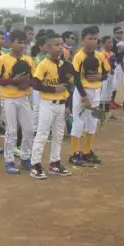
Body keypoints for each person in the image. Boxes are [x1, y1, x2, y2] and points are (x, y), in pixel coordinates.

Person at [29, 33, 72, 179]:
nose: (60, 47)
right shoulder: (43, 64)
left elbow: (67, 85)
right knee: (42, 134)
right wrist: (54, 89)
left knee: (58, 135)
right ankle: (35, 164)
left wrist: (66, 105)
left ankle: (55, 163)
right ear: (47, 47)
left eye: (61, 44)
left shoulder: (63, 65)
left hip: (60, 104)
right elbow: (35, 83)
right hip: (47, 104)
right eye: (56, 44)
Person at [0, 29, 34, 174]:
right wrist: (13, 81)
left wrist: (26, 84)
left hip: (23, 97)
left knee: (29, 129)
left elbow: (33, 78)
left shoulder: (28, 59)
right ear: (11, 43)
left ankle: (25, 158)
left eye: (24, 42)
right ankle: (9, 160)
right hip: (8, 98)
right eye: (19, 42)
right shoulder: (2, 59)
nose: (22, 45)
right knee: (11, 130)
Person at [68, 26, 107, 166]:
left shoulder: (100, 56)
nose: (93, 41)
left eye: (95, 38)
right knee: (78, 122)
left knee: (92, 123)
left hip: (96, 91)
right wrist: (84, 97)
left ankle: (87, 151)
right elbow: (77, 79)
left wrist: (100, 76)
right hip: (82, 92)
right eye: (90, 38)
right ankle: (74, 153)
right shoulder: (78, 57)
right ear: (83, 40)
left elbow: (106, 73)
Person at [99, 36, 115, 119]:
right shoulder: (101, 53)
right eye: (108, 42)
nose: (111, 44)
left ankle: (107, 112)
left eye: (111, 42)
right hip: (104, 75)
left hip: (111, 75)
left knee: (109, 93)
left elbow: (113, 64)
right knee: (103, 94)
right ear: (103, 43)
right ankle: (101, 113)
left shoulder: (112, 53)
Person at [110, 26, 124, 108]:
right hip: (114, 64)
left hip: (120, 64)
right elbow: (112, 52)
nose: (120, 34)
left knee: (117, 83)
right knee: (113, 84)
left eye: (121, 32)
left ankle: (113, 100)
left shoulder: (122, 42)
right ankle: (110, 101)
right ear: (114, 33)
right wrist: (119, 51)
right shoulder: (112, 42)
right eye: (118, 33)